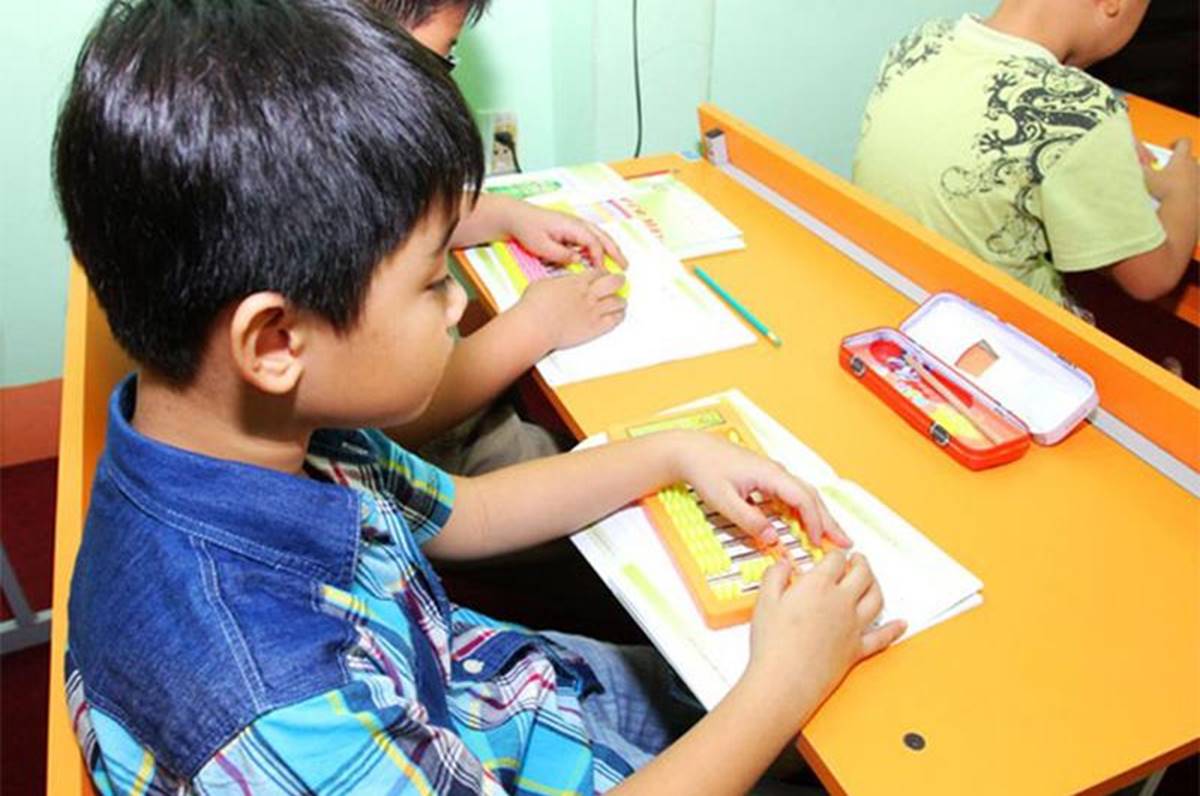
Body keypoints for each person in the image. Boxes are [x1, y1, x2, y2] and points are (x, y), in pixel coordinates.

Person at [56, 1, 905, 793]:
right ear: (276, 342)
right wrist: (779, 687)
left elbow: (473, 511)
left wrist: (675, 453)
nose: (460, 303)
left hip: (504, 695)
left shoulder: (266, 430)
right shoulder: (273, 700)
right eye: (433, 281)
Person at [376, 0, 630, 475]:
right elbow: (394, 422)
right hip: (444, 460)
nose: (454, 301)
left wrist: (510, 214)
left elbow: (409, 214)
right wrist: (537, 325)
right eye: (441, 56)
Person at [853, 0, 1198, 314]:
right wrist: (1184, 188)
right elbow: (1151, 278)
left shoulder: (919, 45)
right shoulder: (1080, 110)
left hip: (896, 297)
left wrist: (1102, 150)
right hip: (1008, 339)